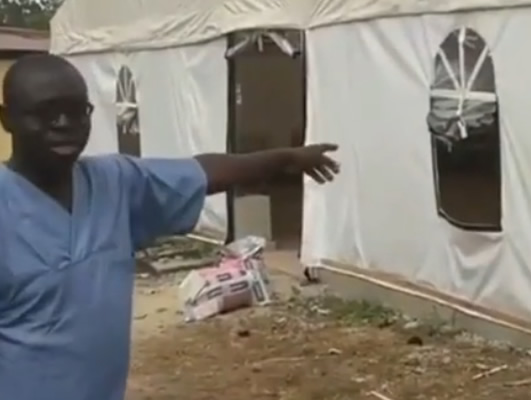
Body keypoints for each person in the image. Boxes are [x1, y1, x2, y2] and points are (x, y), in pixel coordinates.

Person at [0, 54, 340, 400]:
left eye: (76, 111)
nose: (63, 123)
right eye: (45, 112)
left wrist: (285, 158)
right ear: (6, 119)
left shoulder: (113, 183)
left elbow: (202, 173)